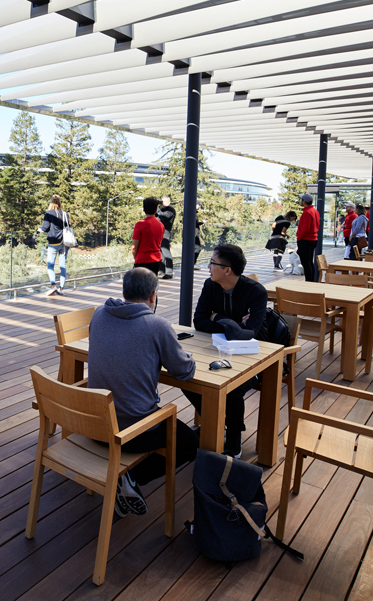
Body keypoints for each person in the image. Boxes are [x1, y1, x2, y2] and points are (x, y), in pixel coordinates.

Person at [87, 267, 199, 516]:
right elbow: (184, 371)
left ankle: (125, 480)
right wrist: (187, 355)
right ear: (153, 296)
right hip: (132, 432)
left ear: (124, 291)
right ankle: (130, 476)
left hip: (94, 425)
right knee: (192, 445)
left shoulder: (99, 314)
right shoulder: (157, 325)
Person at [185, 243, 269, 457]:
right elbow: (199, 322)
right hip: (217, 349)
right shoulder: (210, 285)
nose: (208, 266)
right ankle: (214, 420)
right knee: (187, 376)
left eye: (212, 262)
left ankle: (233, 437)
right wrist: (225, 320)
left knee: (232, 387)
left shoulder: (255, 291)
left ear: (227, 270)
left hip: (255, 355)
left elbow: (251, 332)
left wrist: (216, 318)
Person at [39, 195, 70, 296]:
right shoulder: (65, 214)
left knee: (50, 265)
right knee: (62, 266)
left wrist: (39, 230)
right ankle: (61, 289)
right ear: (60, 202)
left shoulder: (48, 213)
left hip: (53, 243)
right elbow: (67, 226)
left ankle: (53, 286)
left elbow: (45, 228)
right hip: (65, 243)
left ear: (51, 202)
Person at [132, 196, 165, 274]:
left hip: (142, 260)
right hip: (156, 260)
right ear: (156, 210)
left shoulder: (140, 224)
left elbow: (134, 247)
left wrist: (136, 258)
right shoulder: (161, 225)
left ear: (144, 210)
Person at [296, 193, 320, 283]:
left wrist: (299, 237)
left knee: (306, 263)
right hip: (313, 239)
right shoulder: (315, 211)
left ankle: (309, 282)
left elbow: (306, 228)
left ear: (304, 201)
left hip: (306, 240)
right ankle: (312, 281)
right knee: (309, 262)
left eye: (301, 200)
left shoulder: (307, 212)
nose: (301, 201)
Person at [156, 196, 176, 279]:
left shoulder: (170, 210)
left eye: (163, 201)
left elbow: (164, 216)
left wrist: (156, 208)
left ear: (168, 202)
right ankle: (161, 269)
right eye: (161, 202)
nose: (162, 203)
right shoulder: (162, 209)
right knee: (160, 252)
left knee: (166, 252)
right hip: (159, 232)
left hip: (165, 233)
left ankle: (169, 272)